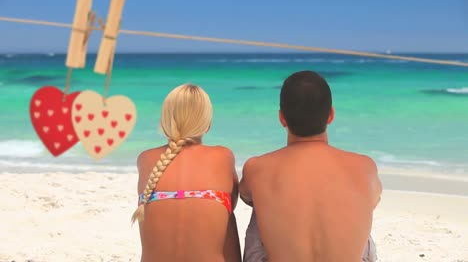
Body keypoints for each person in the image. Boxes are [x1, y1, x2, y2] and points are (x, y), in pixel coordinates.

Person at [240, 71, 382, 262]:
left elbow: (245, 195)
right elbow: (372, 201)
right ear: (331, 115)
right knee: (359, 215)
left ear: (282, 118)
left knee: (261, 204)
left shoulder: (256, 168)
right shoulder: (365, 167)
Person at [132, 84, 241, 262]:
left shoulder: (146, 159)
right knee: (225, 211)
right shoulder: (223, 156)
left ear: (164, 121)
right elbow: (230, 208)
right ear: (208, 124)